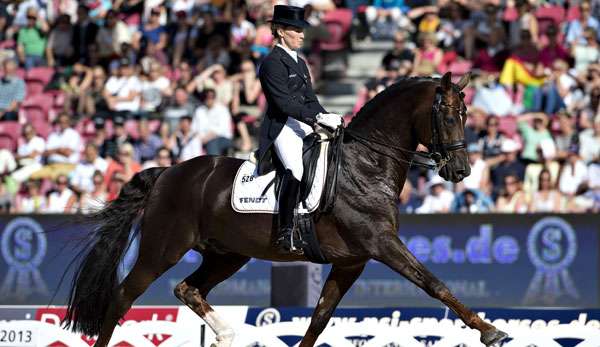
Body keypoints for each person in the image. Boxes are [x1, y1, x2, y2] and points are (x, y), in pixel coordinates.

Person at [256, 5, 342, 253]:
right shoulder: (272, 63)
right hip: (282, 125)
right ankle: (285, 231)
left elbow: (310, 99)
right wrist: (315, 117)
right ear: (281, 31)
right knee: (295, 168)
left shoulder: (301, 63)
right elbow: (283, 103)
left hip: (303, 122)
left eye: (302, 30)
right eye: (296, 30)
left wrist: (327, 116)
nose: (302, 35)